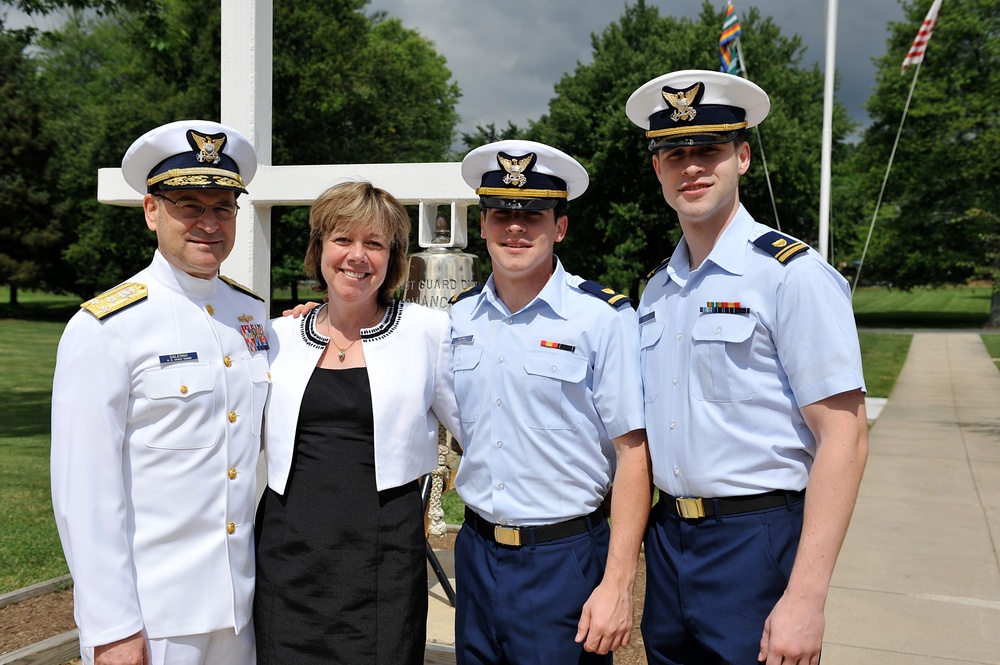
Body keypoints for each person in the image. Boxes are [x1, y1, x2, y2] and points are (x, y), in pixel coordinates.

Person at [625, 70, 869, 664]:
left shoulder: (791, 275)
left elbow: (846, 436)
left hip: (758, 540)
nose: (691, 167)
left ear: (741, 157)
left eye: (707, 150)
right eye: (674, 152)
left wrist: (806, 598)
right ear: (657, 169)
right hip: (671, 540)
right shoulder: (658, 289)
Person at [51, 120, 266, 665]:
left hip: (241, 610)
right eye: (188, 205)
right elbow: (85, 495)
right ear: (151, 211)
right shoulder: (107, 327)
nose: (208, 224)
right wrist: (112, 628)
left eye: (222, 208)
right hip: (154, 619)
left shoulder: (254, 316)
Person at [449, 139, 650, 664]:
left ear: (559, 227)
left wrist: (618, 583)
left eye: (533, 215)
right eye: (501, 214)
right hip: (475, 552)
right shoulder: (457, 318)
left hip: (563, 561)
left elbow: (635, 452)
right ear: (484, 223)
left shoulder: (602, 319)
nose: (515, 228)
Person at [254, 180, 460, 664]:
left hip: (382, 556)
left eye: (375, 244)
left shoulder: (428, 333)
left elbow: (476, 432)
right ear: (319, 248)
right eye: (343, 240)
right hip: (289, 553)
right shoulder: (276, 336)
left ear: (394, 258)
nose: (357, 256)